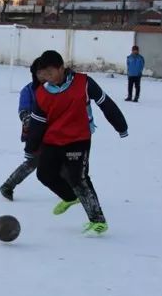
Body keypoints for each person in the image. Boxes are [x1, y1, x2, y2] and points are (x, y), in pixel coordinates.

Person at [25, 50, 128, 235]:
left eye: (50, 72)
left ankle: (98, 221)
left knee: (78, 178)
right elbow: (37, 123)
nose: (47, 77)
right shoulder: (42, 93)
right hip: (53, 140)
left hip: (78, 139)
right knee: (44, 175)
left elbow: (105, 103)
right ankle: (70, 197)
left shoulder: (84, 83)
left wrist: (120, 125)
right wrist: (30, 148)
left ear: (61, 68)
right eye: (44, 73)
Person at [0, 58, 42, 201]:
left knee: (62, 159)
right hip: (36, 134)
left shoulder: (55, 89)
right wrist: (29, 119)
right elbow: (23, 110)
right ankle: (8, 185)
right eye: (41, 72)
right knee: (32, 162)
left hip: (55, 132)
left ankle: (73, 190)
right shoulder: (28, 90)